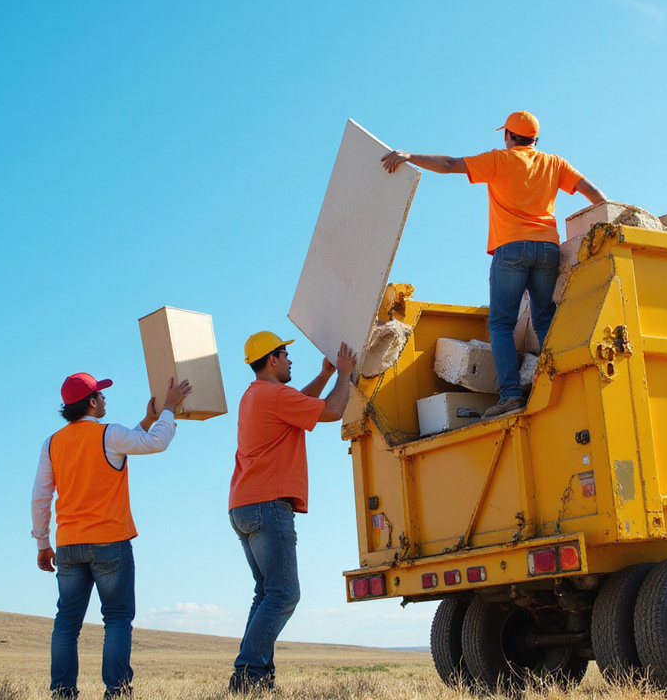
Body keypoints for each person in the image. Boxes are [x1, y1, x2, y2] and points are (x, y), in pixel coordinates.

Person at [381, 111, 606, 418]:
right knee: (544, 320)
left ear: (508, 136)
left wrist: (409, 156)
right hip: (548, 250)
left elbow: (449, 165)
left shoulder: (499, 160)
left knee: (501, 323)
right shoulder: (554, 163)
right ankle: (563, 380)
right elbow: (593, 192)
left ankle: (511, 394)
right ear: (535, 140)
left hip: (512, 249)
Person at [31, 371, 191, 699]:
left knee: (66, 622)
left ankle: (62, 692)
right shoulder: (110, 433)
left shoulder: (53, 443)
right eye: (101, 395)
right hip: (110, 542)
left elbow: (40, 496)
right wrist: (169, 409)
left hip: (69, 546)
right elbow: (155, 443)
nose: (105, 399)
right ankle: (116, 691)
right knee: (117, 619)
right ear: (91, 402)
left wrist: (42, 543)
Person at [227, 332, 357, 693]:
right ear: (272, 360)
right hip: (269, 504)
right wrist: (345, 374)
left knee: (266, 593)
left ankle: (257, 677)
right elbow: (332, 411)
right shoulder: (274, 395)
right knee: (284, 594)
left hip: (244, 504)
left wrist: (327, 375)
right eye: (285, 355)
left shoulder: (257, 396)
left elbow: (300, 402)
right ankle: (249, 673)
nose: (289, 361)